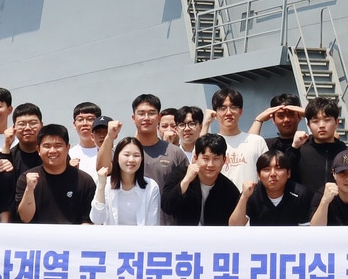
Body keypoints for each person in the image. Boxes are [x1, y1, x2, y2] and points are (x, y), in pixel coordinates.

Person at [98, 95, 187, 225]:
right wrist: (109, 137)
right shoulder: (122, 151)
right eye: (141, 113)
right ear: (133, 118)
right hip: (128, 226)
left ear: (159, 117)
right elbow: (102, 169)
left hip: (167, 227)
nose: (146, 118)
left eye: (151, 113)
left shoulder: (175, 153)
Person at [14, 124, 96, 224]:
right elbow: (25, 218)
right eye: (47, 146)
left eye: (58, 145)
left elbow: (88, 220)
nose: (52, 151)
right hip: (38, 238)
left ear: (67, 148)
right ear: (38, 150)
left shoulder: (84, 180)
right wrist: (29, 189)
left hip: (72, 237)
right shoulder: (26, 179)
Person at [164, 133, 240, 226]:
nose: (210, 164)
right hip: (184, 237)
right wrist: (186, 181)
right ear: (195, 158)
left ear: (224, 160)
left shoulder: (229, 190)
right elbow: (167, 206)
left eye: (216, 159)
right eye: (205, 158)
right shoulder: (180, 175)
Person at [230, 150, 313, 226]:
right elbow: (234, 226)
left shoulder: (301, 194)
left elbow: (306, 231)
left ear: (288, 173)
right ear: (258, 175)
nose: (273, 174)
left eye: (279, 168)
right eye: (267, 169)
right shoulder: (252, 193)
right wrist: (244, 197)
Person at [91, 137, 161, 226]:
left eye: (136, 155)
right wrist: (101, 186)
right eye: (126, 155)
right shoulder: (106, 184)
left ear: (142, 159)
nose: (131, 160)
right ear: (116, 157)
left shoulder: (151, 187)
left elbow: (152, 224)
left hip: (141, 239)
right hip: (111, 239)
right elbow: (97, 219)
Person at [208, 88, 267, 190]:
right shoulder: (210, 144)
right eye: (222, 108)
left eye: (233, 107)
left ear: (240, 111)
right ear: (215, 113)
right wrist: (205, 124)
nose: (228, 112)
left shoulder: (257, 141)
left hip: (252, 202)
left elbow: (266, 173)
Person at [295, 97, 348, 196]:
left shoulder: (347, 153)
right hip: (307, 209)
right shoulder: (299, 152)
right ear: (308, 124)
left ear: (336, 122)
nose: (321, 125)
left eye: (327, 120)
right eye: (315, 121)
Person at [249, 94, 305, 175]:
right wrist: (259, 119)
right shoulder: (268, 145)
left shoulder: (311, 141)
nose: (286, 120)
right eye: (281, 116)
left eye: (291, 114)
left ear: (300, 116)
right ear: (273, 120)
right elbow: (249, 147)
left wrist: (309, 113)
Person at [2, 103, 45, 175]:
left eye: (33, 123)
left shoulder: (50, 153)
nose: (27, 128)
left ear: (41, 125)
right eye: (22, 124)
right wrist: (7, 145)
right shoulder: (10, 156)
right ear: (14, 128)